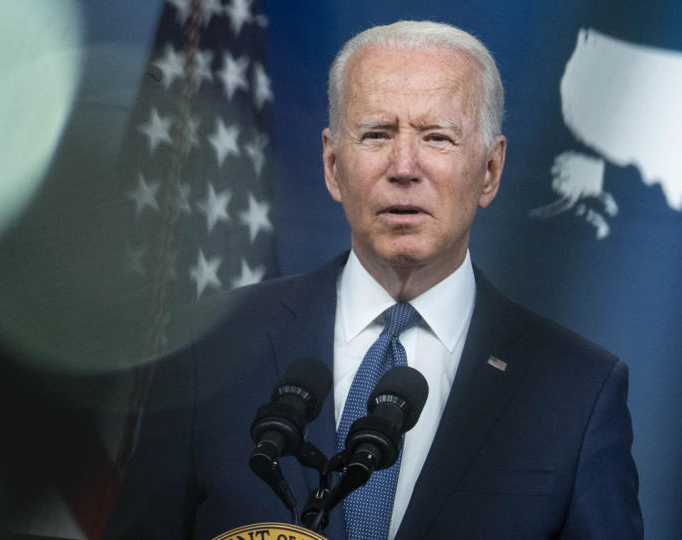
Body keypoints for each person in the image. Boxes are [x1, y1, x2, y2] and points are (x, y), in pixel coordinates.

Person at [104, 20, 642, 540]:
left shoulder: (578, 393)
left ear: (490, 171)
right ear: (333, 165)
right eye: (376, 134)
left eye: (437, 137)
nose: (404, 166)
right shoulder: (209, 347)